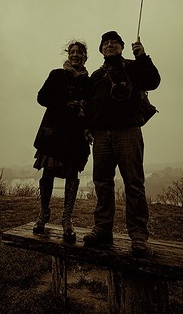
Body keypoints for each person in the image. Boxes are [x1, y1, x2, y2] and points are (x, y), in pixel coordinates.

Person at [83, 31, 161, 257]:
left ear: (122, 47)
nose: (110, 45)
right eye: (106, 43)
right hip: (101, 136)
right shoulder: (96, 76)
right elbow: (89, 104)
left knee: (134, 184)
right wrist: (87, 127)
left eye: (114, 42)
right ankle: (102, 229)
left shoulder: (133, 67)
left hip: (128, 132)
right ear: (101, 50)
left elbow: (153, 82)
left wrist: (143, 57)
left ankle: (138, 237)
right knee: (102, 183)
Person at [32, 40, 91, 242]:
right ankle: (44, 214)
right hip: (54, 133)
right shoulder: (56, 75)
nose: (75, 55)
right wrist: (65, 103)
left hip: (75, 135)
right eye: (72, 52)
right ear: (68, 55)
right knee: (48, 173)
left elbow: (92, 107)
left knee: (72, 175)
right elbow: (41, 98)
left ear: (85, 57)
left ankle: (67, 219)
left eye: (80, 52)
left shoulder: (88, 82)